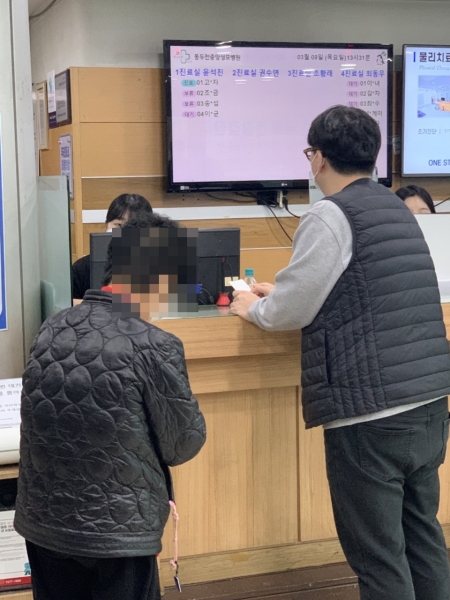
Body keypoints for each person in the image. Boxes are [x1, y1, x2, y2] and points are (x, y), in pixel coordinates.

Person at [230, 106, 450, 600]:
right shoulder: (395, 208)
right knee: (423, 539)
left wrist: (252, 307)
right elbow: (363, 287)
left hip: (370, 412)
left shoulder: (331, 214)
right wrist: (285, 292)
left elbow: (289, 312)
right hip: (429, 403)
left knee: (378, 557)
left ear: (319, 158)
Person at [14, 212, 206, 600]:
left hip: (44, 523)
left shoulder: (51, 328)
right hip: (118, 532)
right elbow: (183, 444)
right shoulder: (156, 344)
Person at [72, 193, 153, 299]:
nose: (125, 232)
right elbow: (68, 303)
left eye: (135, 227)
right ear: (107, 224)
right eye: (119, 225)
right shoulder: (82, 268)